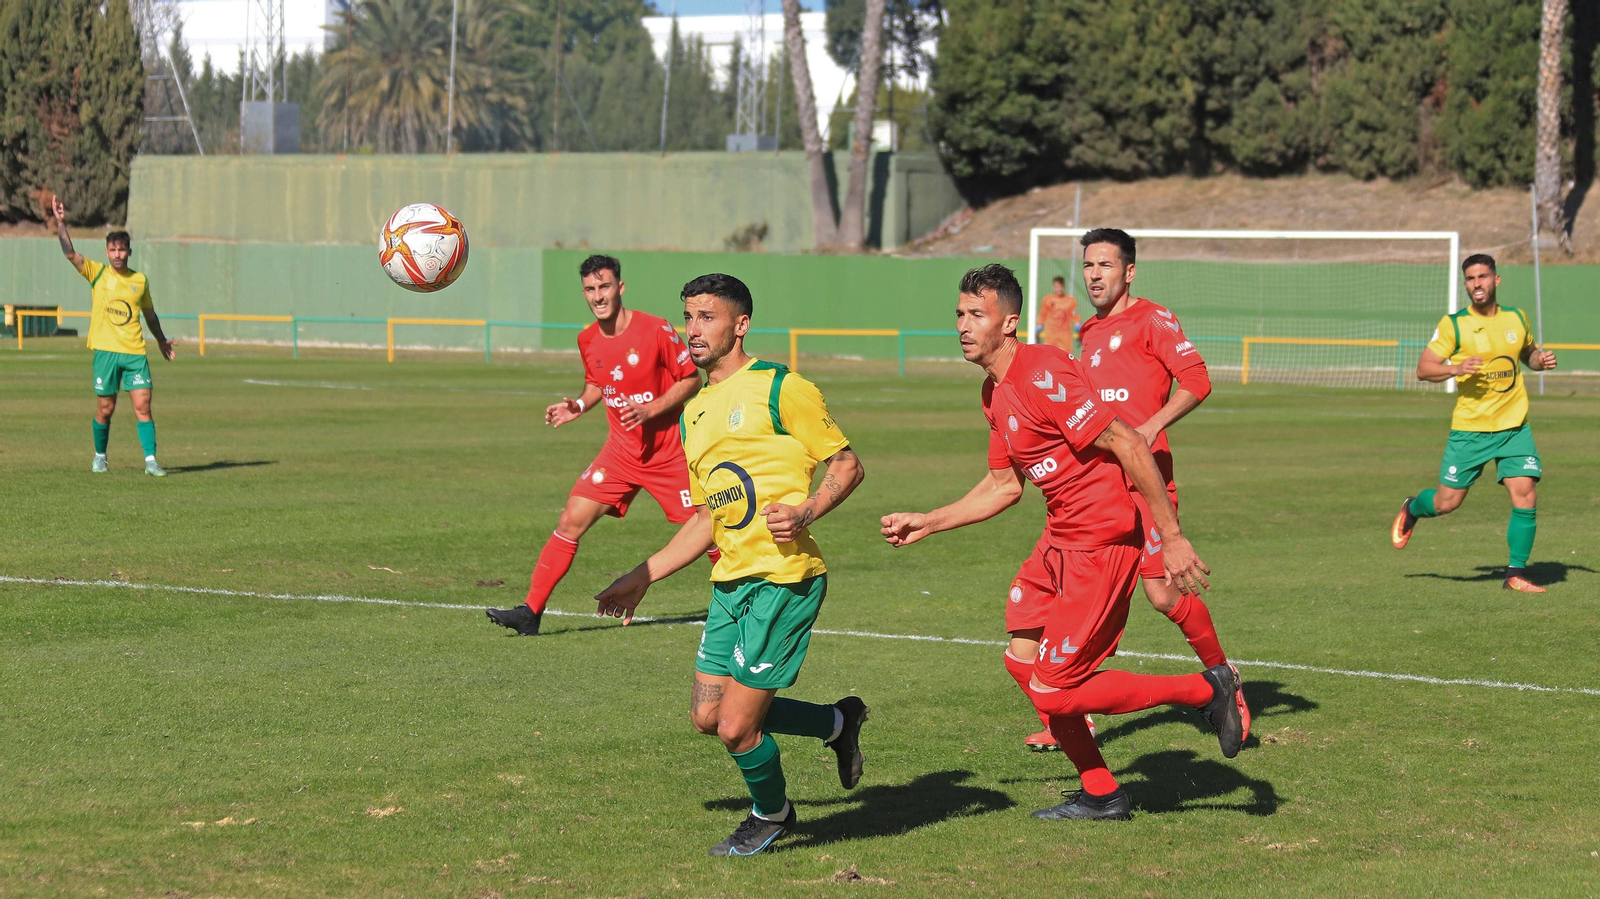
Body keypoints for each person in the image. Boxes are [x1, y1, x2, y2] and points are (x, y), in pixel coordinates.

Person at [880, 264, 1242, 822]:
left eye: (977, 315)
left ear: (1010, 322)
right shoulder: (993, 392)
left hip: (1100, 542)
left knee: (1053, 693)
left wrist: (1170, 537)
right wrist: (931, 520)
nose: (963, 325)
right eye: (959, 314)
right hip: (1058, 541)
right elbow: (1004, 486)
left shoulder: (1042, 370)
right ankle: (1103, 791)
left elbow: (1127, 442)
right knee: (1021, 656)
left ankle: (1205, 689)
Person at [594, 273, 869, 856]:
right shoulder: (694, 412)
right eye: (688, 317)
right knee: (705, 716)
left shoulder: (780, 386)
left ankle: (772, 814)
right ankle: (839, 724)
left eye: (707, 317)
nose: (693, 330)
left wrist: (807, 510)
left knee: (736, 728)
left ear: (739, 325)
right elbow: (704, 520)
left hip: (783, 579)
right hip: (729, 584)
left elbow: (846, 465)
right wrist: (641, 577)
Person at [1008, 228, 1247, 752]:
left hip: (1147, 481)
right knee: (1078, 597)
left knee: (1163, 593)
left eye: (1106, 265)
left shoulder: (1152, 319)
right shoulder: (1088, 331)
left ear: (1129, 271)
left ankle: (1223, 677)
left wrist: (1152, 425)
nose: (1094, 275)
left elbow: (1198, 380)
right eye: (1088, 265)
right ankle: (1071, 715)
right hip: (1098, 492)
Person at [487, 255, 708, 636]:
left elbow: (691, 380)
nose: (597, 295)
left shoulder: (655, 329)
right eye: (590, 289)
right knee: (570, 519)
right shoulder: (587, 338)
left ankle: (744, 603)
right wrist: (577, 405)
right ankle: (530, 612)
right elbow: (596, 385)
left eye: (604, 287)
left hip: (669, 454)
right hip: (620, 454)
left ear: (620, 288)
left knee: (706, 531)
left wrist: (651, 408)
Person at [1392, 253, 1558, 593]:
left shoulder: (1517, 317)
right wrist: (1455, 369)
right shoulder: (1454, 325)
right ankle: (1413, 506)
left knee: (1525, 492)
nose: (1476, 284)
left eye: (1482, 276)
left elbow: (1528, 354)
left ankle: (1515, 574)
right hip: (1471, 430)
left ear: (1496, 280)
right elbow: (1424, 369)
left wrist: (1540, 360)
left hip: (1514, 427)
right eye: (1470, 279)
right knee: (1447, 503)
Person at [52, 196, 176, 476]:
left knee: (143, 406)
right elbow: (71, 254)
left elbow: (150, 314)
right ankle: (100, 456)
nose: (117, 254)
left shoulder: (140, 281)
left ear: (129, 252)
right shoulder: (97, 274)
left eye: (122, 250)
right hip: (106, 352)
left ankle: (151, 461)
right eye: (113, 250)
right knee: (105, 409)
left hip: (134, 353)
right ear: (107, 252)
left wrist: (161, 340)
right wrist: (61, 223)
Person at [1038, 275, 1081, 352]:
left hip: (1065, 335)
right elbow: (1042, 314)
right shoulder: (1047, 299)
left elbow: (1075, 316)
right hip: (1051, 335)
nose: (1058, 289)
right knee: (1049, 356)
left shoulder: (1070, 300)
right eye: (1056, 287)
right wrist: (1038, 328)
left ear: (1063, 287)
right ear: (1053, 287)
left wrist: (1078, 330)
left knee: (1065, 358)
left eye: (1060, 287)